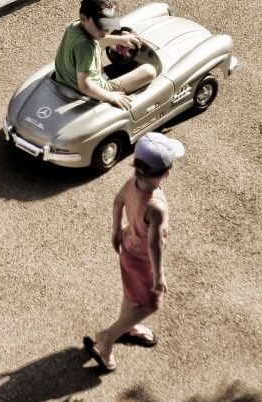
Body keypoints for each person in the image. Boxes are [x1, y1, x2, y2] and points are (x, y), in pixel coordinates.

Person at [83, 132, 184, 372]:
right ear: (165, 172)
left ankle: (127, 327)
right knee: (151, 303)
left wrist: (116, 230)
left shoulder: (132, 182)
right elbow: (155, 244)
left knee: (132, 295)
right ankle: (107, 338)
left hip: (127, 247)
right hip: (143, 259)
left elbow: (118, 202)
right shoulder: (156, 206)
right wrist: (159, 275)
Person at [53, 0, 157, 111]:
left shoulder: (75, 27)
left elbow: (97, 40)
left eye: (109, 26)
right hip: (95, 89)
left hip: (66, 80)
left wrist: (120, 40)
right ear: (83, 18)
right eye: (101, 26)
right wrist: (111, 97)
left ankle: (106, 75)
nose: (105, 32)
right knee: (150, 71)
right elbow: (85, 85)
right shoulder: (86, 46)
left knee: (100, 45)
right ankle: (108, 81)